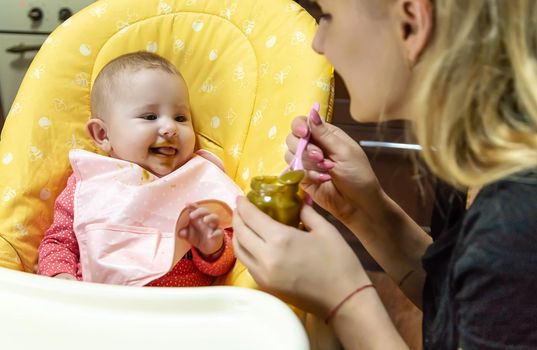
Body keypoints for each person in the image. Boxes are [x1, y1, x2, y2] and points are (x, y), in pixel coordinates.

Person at [232, 0, 537, 349]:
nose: (318, 44)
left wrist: (345, 301)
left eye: (328, 17)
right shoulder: (490, 176)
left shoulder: (520, 219)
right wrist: (364, 209)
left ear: (411, 23)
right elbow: (466, 300)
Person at [38, 51, 242, 287]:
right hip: (99, 305)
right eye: (150, 116)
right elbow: (58, 242)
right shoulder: (89, 183)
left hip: (180, 311)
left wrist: (213, 248)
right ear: (103, 134)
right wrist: (61, 278)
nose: (169, 128)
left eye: (180, 117)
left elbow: (227, 260)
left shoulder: (199, 179)